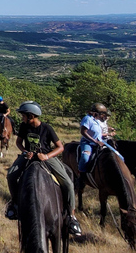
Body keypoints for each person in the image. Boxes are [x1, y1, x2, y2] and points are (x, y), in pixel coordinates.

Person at [5, 101, 82, 236]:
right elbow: (18, 142)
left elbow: (60, 147)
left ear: (31, 116)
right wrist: (24, 151)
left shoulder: (47, 128)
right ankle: (15, 204)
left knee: (68, 183)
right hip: (29, 156)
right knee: (11, 175)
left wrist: (46, 156)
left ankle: (71, 216)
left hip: (46, 156)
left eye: (23, 115)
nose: (22, 118)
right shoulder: (24, 126)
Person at [79, 102, 106, 173]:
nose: (102, 116)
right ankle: (81, 173)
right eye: (101, 114)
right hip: (88, 143)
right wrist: (95, 141)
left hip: (100, 142)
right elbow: (83, 132)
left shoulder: (96, 121)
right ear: (96, 113)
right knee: (85, 158)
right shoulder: (87, 119)